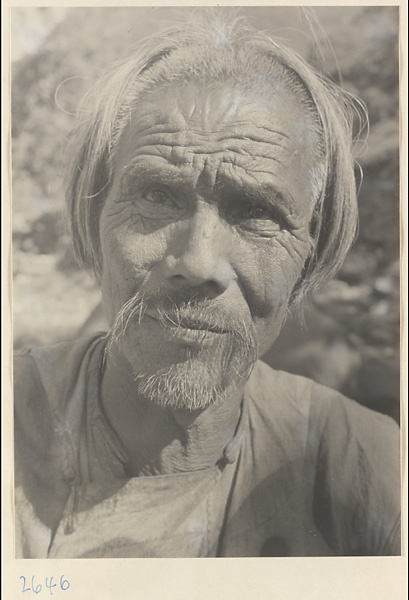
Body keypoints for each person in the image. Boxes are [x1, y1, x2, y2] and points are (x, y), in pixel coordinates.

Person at [14, 15, 400, 558]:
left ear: (310, 255)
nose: (197, 262)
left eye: (258, 213)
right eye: (156, 196)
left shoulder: (369, 467)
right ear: (92, 219)